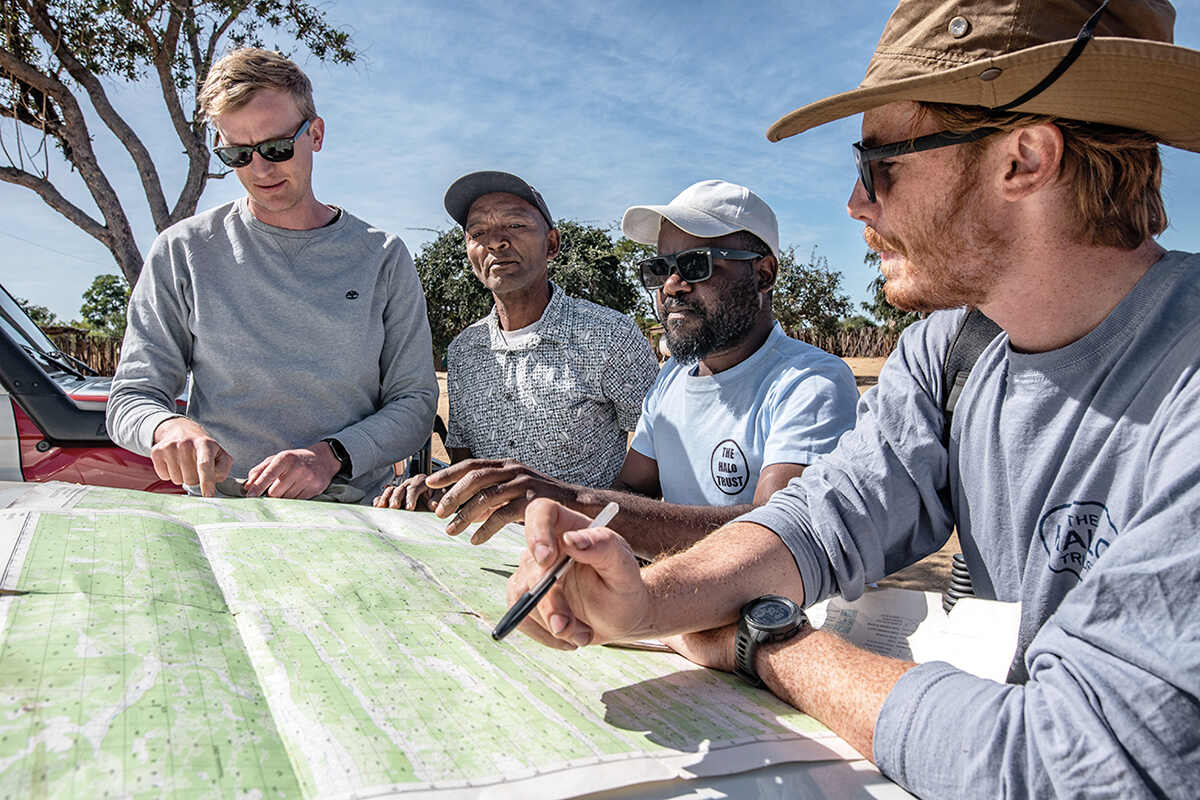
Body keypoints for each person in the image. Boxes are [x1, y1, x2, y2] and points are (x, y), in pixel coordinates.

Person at [505, 1, 1200, 797]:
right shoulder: (953, 352)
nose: (856, 205)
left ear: (1024, 160)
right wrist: (644, 600)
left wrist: (762, 644)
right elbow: (822, 518)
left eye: (880, 166)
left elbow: (1070, 764)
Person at [382, 180, 857, 556]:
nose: (671, 286)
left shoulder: (808, 383)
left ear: (764, 274)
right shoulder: (675, 379)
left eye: (695, 265)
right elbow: (632, 490)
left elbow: (776, 536)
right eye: (660, 268)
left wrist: (561, 502)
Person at [106, 48, 437, 500]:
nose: (259, 170)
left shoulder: (382, 256)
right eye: (237, 154)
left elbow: (415, 403)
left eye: (276, 148)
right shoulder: (184, 250)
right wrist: (167, 426)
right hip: (227, 514)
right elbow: (131, 397)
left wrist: (329, 456)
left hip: (357, 512)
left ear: (316, 134)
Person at [374, 171, 659, 537]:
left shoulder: (611, 335)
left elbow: (656, 464)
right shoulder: (465, 351)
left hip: (588, 553)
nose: (496, 242)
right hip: (488, 552)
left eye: (514, 224)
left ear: (552, 244)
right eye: (477, 233)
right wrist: (437, 490)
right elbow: (468, 465)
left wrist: (588, 526)